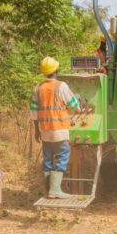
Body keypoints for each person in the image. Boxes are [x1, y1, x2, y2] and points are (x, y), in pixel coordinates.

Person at [30, 56, 81, 199]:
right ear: (56, 70)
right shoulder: (61, 86)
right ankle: (55, 190)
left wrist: (36, 131)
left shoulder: (38, 88)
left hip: (44, 130)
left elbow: (33, 112)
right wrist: (77, 111)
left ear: (44, 72)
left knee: (47, 159)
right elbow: (74, 105)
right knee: (62, 157)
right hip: (59, 130)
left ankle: (48, 191)